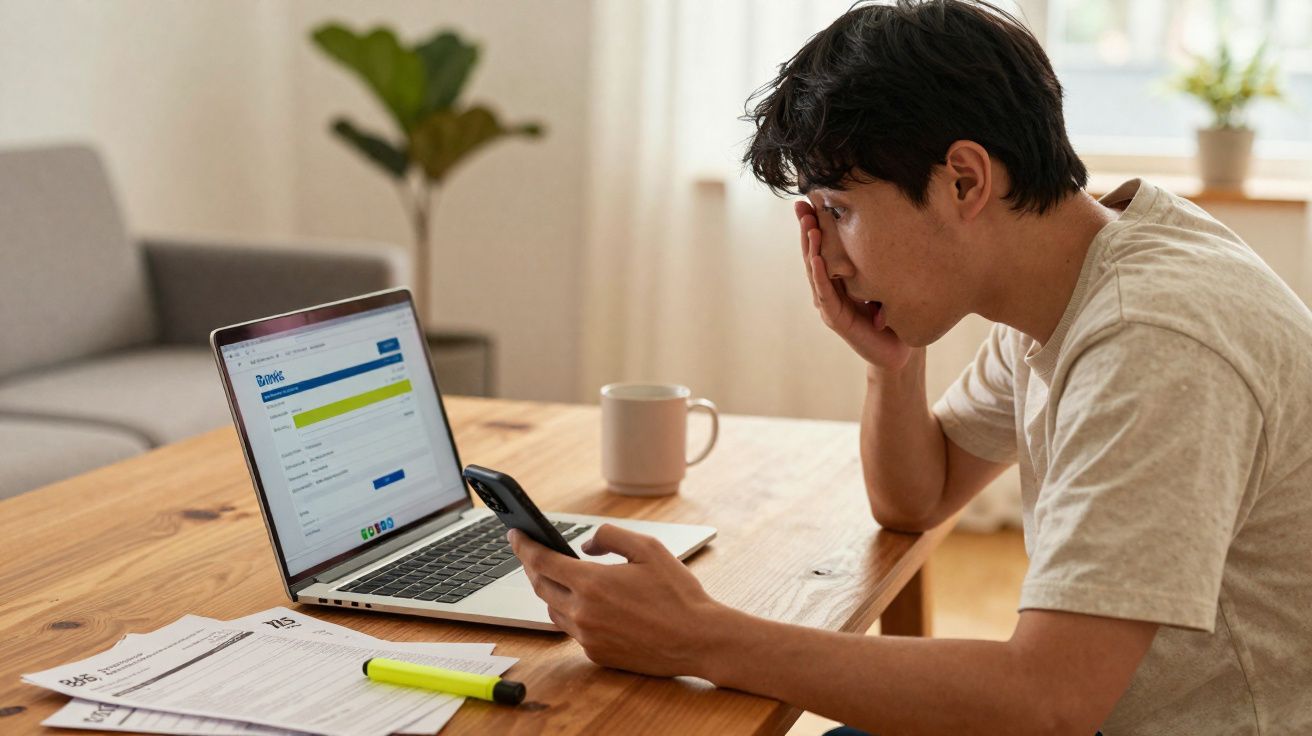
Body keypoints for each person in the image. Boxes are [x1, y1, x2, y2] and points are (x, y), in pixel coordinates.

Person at [509, 1, 1312, 732]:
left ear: (963, 179)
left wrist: (697, 634)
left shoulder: (1153, 340)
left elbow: (1049, 700)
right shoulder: (1078, 267)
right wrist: (890, 367)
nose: (826, 253)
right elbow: (916, 500)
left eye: (841, 210)